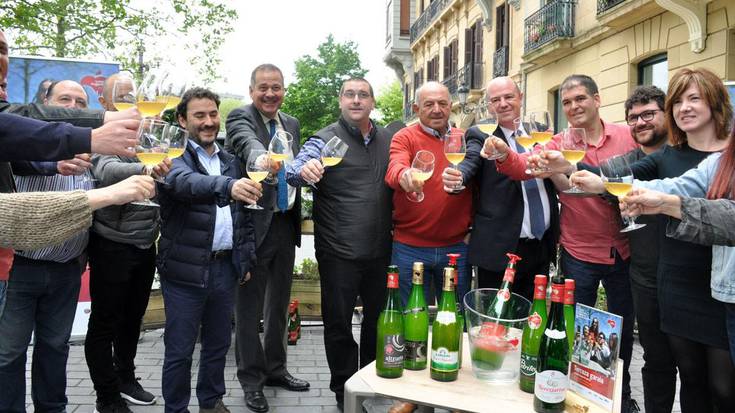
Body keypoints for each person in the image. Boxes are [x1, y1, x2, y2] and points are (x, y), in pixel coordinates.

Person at [572, 68, 735, 412]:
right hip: (673, 278)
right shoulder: (674, 157)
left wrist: (663, 203)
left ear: (716, 102)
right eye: (679, 100)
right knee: (687, 375)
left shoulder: (728, 156)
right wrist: (573, 169)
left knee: (723, 385)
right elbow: (636, 181)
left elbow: (711, 209)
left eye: (694, 98)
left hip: (720, 285)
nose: (684, 108)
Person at [493, 74, 638, 412]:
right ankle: (572, 396)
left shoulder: (626, 137)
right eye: (567, 102)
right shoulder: (557, 141)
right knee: (571, 335)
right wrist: (503, 154)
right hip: (577, 254)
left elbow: (643, 178)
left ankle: (622, 396)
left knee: (621, 335)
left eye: (580, 99)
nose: (573, 107)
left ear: (597, 99)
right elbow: (524, 167)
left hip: (624, 252)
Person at [286, 78, 393, 410]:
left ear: (372, 102)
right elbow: (293, 169)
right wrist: (305, 169)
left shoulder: (390, 139)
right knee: (338, 323)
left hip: (381, 250)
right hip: (338, 251)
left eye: (363, 94)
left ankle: (371, 380)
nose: (357, 100)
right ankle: (343, 388)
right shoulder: (324, 139)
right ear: (340, 101)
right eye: (350, 94)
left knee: (379, 321)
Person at [0, 80, 107, 413]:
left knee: (55, 348)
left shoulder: (93, 149)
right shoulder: (24, 141)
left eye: (80, 101)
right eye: (64, 100)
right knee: (9, 352)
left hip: (66, 269)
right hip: (20, 268)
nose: (72, 107)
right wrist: (55, 161)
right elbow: (30, 161)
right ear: (45, 103)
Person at [157, 87, 261, 413]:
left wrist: (244, 259)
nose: (208, 122)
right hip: (184, 270)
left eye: (213, 114)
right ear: (182, 119)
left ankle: (211, 401)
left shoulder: (230, 159)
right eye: (199, 115)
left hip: (224, 268)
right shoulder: (171, 158)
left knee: (217, 344)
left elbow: (242, 218)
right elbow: (186, 184)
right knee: (180, 349)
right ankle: (176, 408)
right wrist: (228, 186)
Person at [84, 72, 172, 412]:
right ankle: (106, 396)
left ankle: (126, 377)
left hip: (145, 241)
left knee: (133, 318)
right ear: (105, 104)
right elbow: (104, 171)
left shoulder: (149, 132)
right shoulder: (101, 136)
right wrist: (147, 166)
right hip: (111, 241)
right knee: (104, 321)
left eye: (132, 97)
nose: (129, 104)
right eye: (121, 97)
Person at [225, 64, 307, 413]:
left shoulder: (291, 124)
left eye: (276, 87)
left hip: (285, 224)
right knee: (248, 309)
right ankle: (252, 381)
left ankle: (276, 369)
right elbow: (248, 144)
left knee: (278, 306)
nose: (270, 94)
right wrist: (262, 158)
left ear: (284, 90)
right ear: (251, 90)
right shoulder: (239, 117)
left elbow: (294, 168)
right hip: (252, 226)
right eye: (263, 88)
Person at [443, 76, 558, 301]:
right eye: (496, 100)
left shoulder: (541, 132)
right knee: (493, 321)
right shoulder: (481, 134)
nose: (503, 104)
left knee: (534, 316)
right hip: (500, 247)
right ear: (489, 106)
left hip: (542, 246)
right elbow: (471, 161)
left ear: (521, 98)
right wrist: (458, 178)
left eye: (508, 97)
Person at [385, 81, 472, 307]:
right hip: (409, 248)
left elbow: (480, 186)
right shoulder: (404, 137)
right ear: (416, 109)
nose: (436, 109)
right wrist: (404, 175)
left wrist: (474, 231)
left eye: (442, 103)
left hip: (456, 248)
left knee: (454, 317)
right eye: (429, 104)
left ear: (450, 106)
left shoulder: (464, 139)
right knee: (412, 318)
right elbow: (395, 167)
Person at [1, 175, 156, 250]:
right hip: (25, 265)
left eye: (82, 107)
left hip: (72, 264)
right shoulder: (30, 138)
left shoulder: (87, 146)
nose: (74, 108)